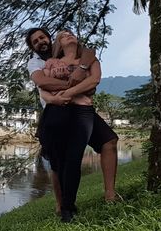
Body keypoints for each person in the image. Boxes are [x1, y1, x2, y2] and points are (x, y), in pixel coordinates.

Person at [26, 27, 119, 220]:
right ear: (33, 48)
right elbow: (43, 83)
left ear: (51, 39)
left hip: (82, 110)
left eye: (42, 37)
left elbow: (92, 71)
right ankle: (62, 206)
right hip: (55, 110)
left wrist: (82, 70)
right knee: (58, 161)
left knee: (108, 141)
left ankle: (110, 194)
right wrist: (72, 86)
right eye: (35, 41)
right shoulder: (37, 62)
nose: (40, 42)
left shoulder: (81, 56)